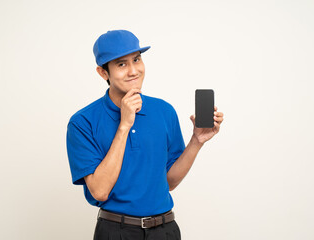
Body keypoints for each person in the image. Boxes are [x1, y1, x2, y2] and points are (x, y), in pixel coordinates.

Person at [66, 29, 224, 240]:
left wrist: (197, 141)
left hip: (165, 230)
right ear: (103, 73)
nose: (133, 71)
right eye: (121, 64)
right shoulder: (82, 122)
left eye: (137, 60)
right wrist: (124, 125)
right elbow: (100, 191)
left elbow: (169, 182)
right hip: (116, 232)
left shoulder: (164, 111)